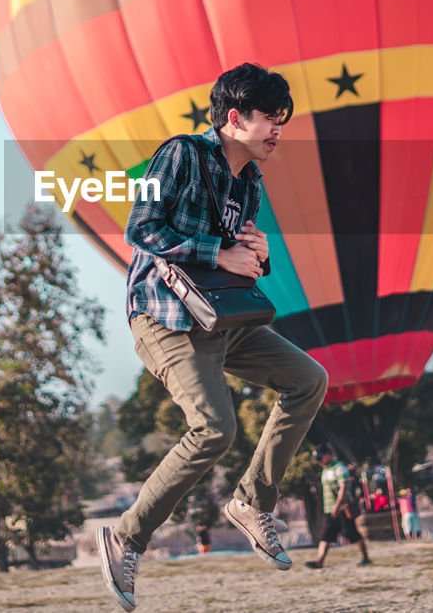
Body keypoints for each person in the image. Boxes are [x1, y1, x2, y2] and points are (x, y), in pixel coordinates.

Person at [96, 64, 328, 612]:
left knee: (308, 379)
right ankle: (126, 538)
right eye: (269, 118)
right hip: (166, 316)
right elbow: (142, 229)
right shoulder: (182, 154)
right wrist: (219, 251)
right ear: (233, 117)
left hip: (222, 317)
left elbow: (237, 263)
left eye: (281, 120)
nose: (278, 130)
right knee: (214, 428)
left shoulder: (249, 182)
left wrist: (258, 257)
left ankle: (252, 502)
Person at [304, 444, 371, 569]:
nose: (319, 461)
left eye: (320, 458)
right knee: (326, 535)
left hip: (341, 508)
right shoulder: (325, 470)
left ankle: (366, 557)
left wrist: (337, 505)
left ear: (328, 454)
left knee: (352, 533)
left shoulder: (339, 468)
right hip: (329, 509)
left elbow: (343, 487)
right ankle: (319, 561)